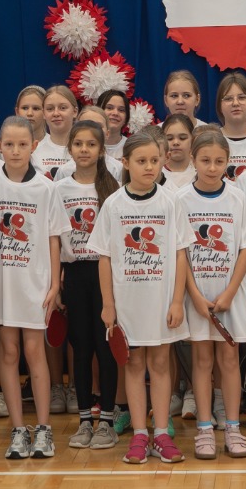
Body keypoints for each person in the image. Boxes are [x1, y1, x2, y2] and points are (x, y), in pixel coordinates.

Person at [0, 115, 66, 460]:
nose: (16, 150)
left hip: (35, 285)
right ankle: (19, 430)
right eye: (9, 144)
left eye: (23, 144)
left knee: (35, 352)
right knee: (8, 353)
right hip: (0, 285)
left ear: (34, 146)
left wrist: (55, 284)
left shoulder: (46, 188)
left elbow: (53, 239)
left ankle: (44, 429)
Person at [90, 130, 191, 465]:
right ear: (125, 162)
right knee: (133, 365)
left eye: (154, 160)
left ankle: (161, 432)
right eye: (141, 161)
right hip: (127, 303)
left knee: (160, 364)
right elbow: (104, 257)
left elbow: (180, 254)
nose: (149, 167)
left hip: (161, 301)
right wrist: (108, 304)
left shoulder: (171, 201)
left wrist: (177, 301)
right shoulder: (113, 204)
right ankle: (139, 434)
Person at [178, 128, 246, 459]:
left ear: (228, 161)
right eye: (205, 161)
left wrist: (230, 292)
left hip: (230, 297)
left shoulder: (237, 198)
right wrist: (194, 295)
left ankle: (232, 427)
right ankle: (203, 428)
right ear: (193, 160)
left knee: (228, 360)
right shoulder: (180, 199)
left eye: (219, 161)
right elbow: (180, 253)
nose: (212, 168)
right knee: (201, 361)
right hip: (196, 297)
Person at [58, 120, 119, 450]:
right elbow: (54, 240)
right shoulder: (59, 189)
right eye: (78, 143)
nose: (84, 149)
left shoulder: (113, 187)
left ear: (101, 150)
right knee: (80, 348)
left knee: (105, 347)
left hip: (105, 275)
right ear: (70, 148)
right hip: (75, 275)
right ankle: (84, 420)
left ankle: (107, 420)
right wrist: (57, 283)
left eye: (91, 144)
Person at [215, 73, 246, 179]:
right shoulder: (211, 140)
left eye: (242, 97)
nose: (235, 103)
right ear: (219, 106)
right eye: (228, 99)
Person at [33, 85, 80, 177]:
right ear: (43, 113)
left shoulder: (85, 150)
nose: (56, 113)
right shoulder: (33, 152)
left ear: (74, 112)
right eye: (50, 109)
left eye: (63, 108)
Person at [160, 113, 196, 188]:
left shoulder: (199, 171)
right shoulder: (156, 172)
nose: (176, 142)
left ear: (192, 139)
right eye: (170, 138)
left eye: (182, 138)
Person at [97, 89, 131, 158]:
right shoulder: (86, 144)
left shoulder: (131, 147)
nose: (115, 113)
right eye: (109, 108)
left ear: (126, 118)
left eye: (121, 110)